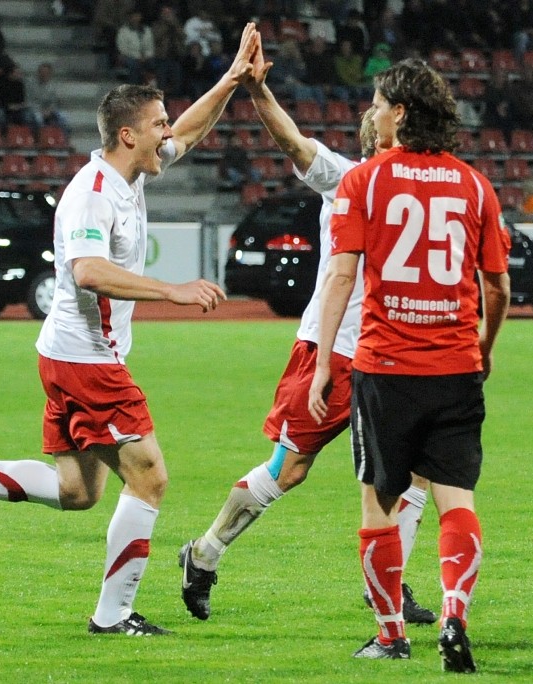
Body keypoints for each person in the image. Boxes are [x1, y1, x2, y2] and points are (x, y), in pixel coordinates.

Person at [0, 24, 259, 637]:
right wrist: (172, 290)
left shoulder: (130, 175)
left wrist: (231, 80)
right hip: (87, 358)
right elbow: (88, 270)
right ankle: (112, 616)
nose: (168, 132)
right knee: (150, 477)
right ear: (128, 134)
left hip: (68, 355)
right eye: (158, 124)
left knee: (77, 491)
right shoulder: (91, 195)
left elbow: (191, 132)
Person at [180, 33, 435, 627]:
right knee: (288, 469)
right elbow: (294, 143)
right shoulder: (347, 178)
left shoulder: (422, 190)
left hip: (392, 355)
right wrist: (259, 91)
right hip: (334, 348)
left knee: (418, 467)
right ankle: (204, 552)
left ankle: (389, 586)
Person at [307, 59, 511, 670]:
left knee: (379, 504)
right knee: (456, 500)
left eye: (376, 103)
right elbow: (497, 286)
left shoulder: (363, 182)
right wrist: (484, 347)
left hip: (384, 369)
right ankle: (454, 615)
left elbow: (340, 277)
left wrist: (324, 362)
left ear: (399, 113)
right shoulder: (475, 185)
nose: (370, 114)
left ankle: (392, 635)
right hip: (455, 368)